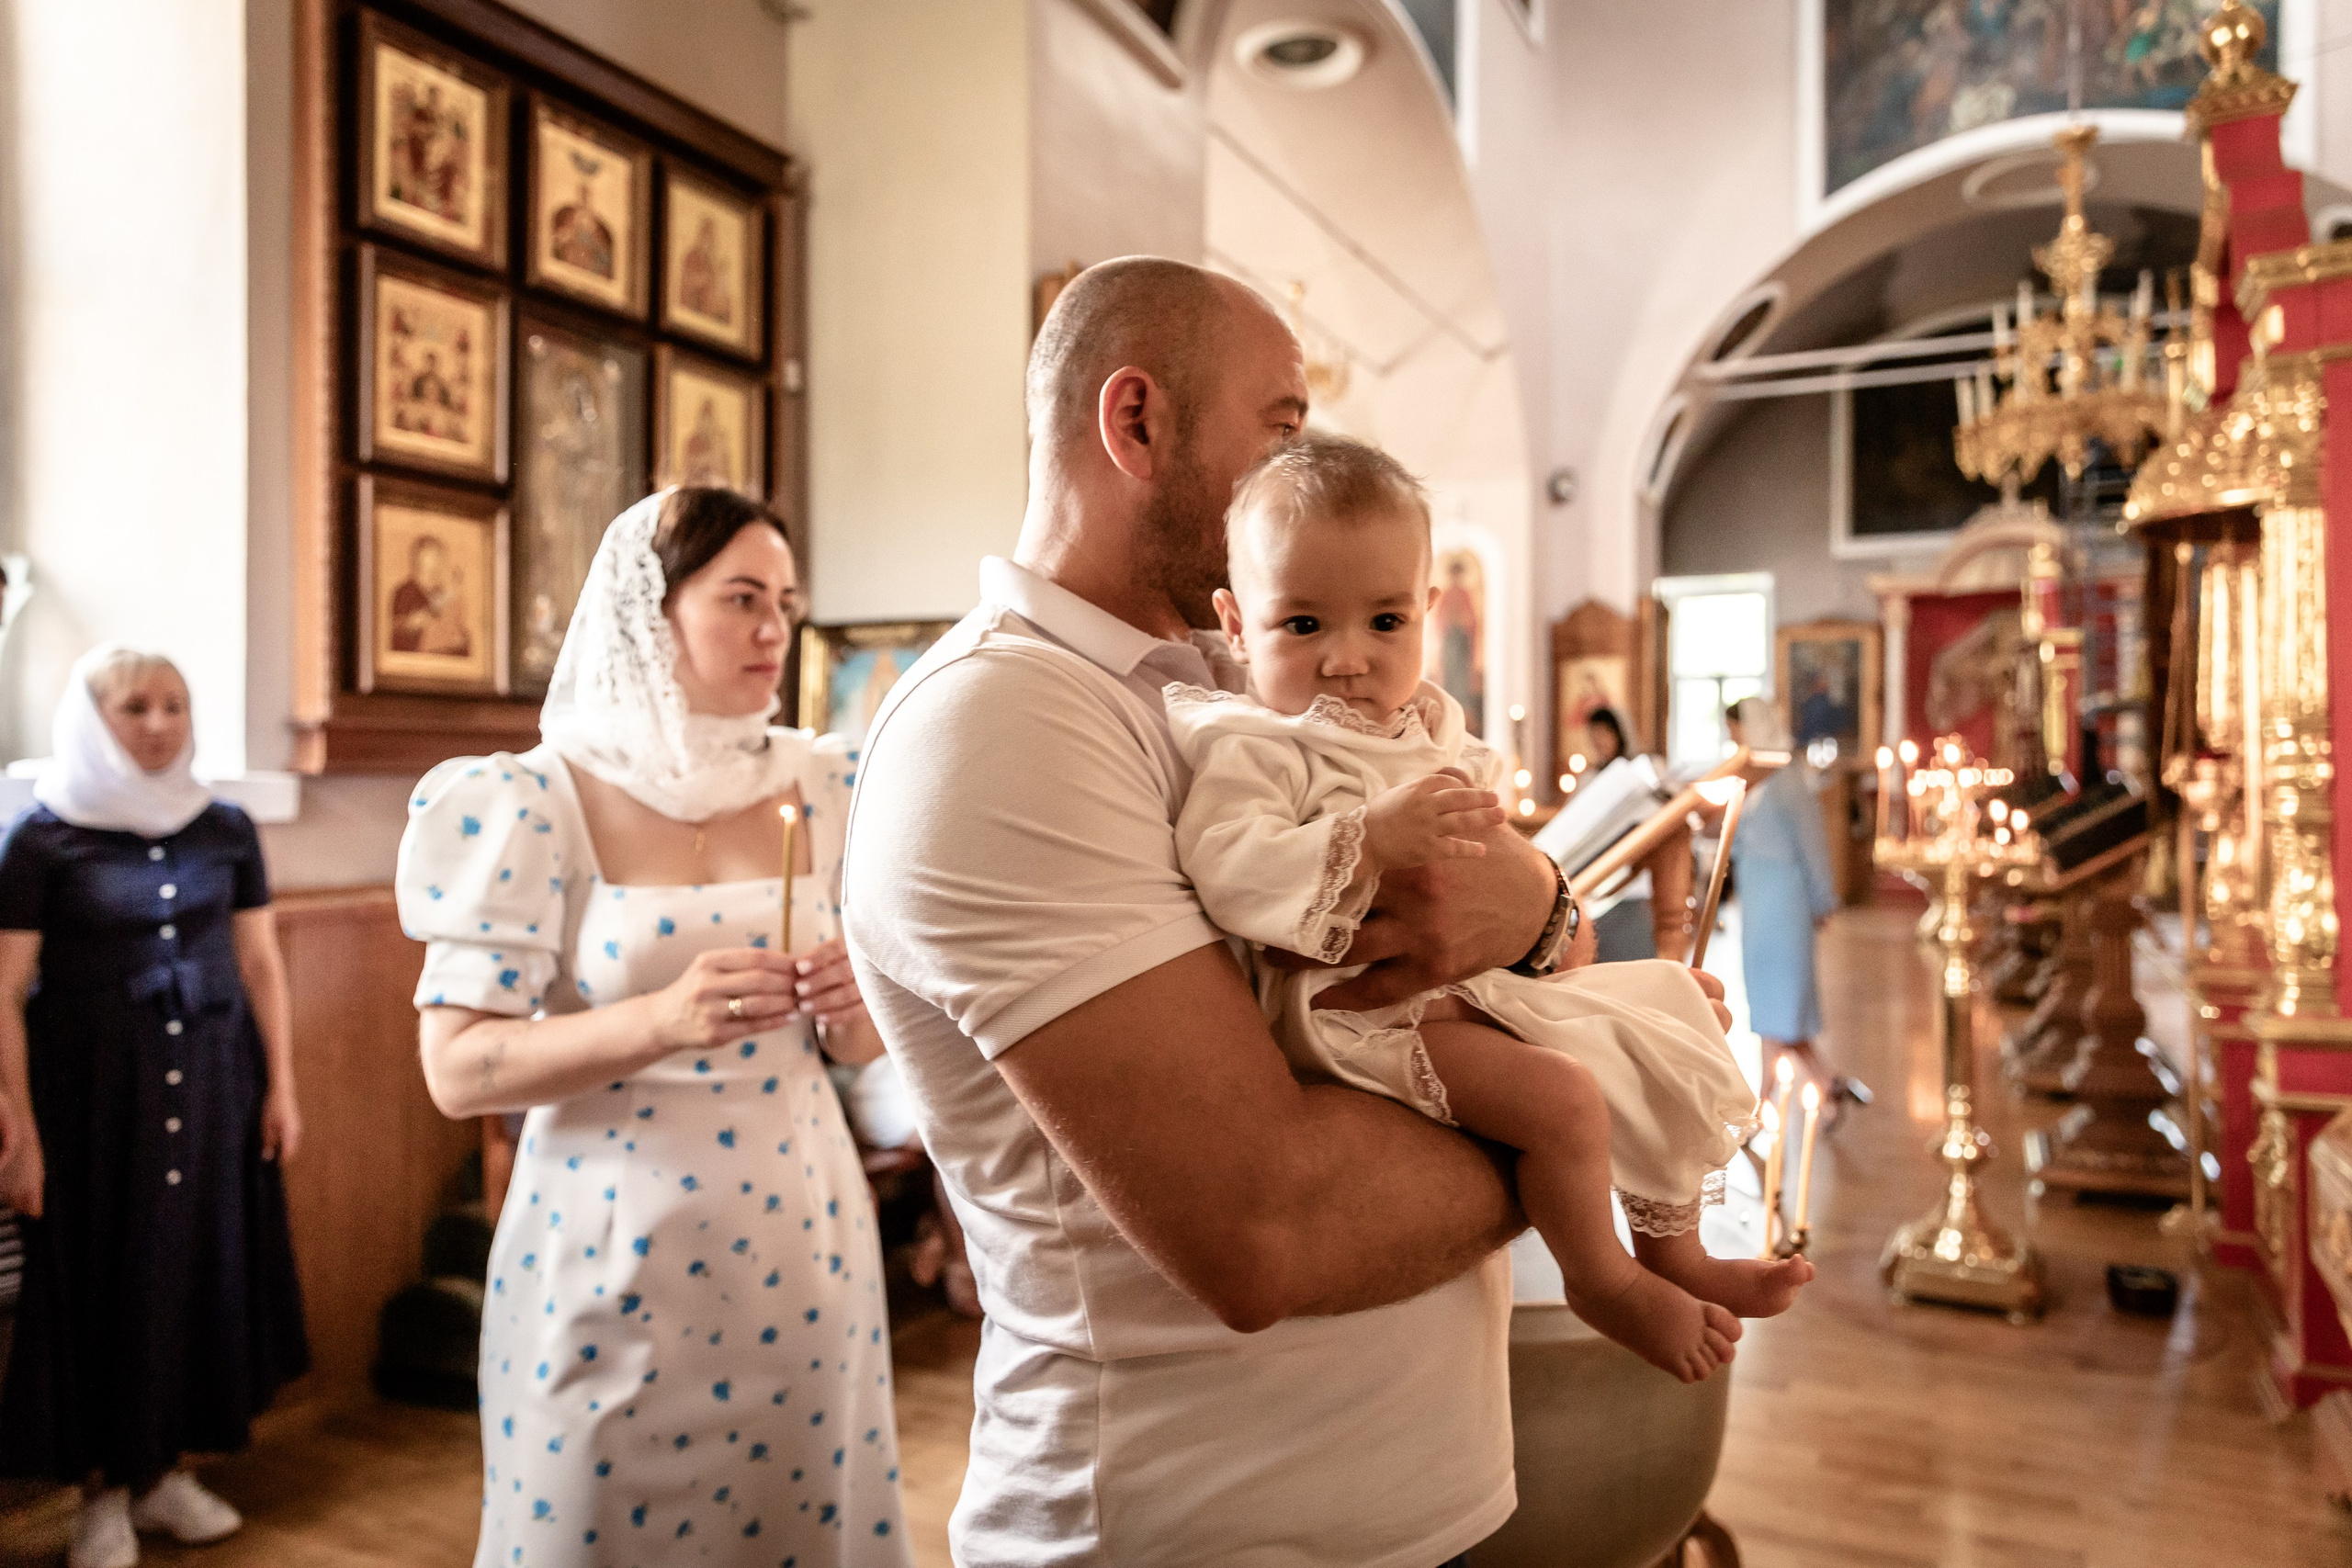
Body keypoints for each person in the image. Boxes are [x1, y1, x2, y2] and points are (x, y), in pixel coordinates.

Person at [842, 256, 1728, 1566]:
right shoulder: (1007, 725)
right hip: (1191, 1521)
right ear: (1136, 421)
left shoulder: (1245, 680)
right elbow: (1269, 1226)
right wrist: (1584, 1116)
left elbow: (1539, 937)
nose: (1303, 460)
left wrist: (1538, 913)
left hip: (1400, 1498)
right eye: (1283, 424)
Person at [1169, 434, 1807, 1382]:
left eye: (1383, 622)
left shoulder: (1430, 729)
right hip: (1363, 1009)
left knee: (1672, 1005)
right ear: (1232, 621)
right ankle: (1602, 1280)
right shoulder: (1252, 744)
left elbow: (1511, 883)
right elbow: (1229, 865)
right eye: (1302, 627)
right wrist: (1372, 841)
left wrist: (1513, 875)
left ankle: (1672, 1249)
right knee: (1560, 1100)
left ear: (1428, 611)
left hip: (1474, 984)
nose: (1347, 659)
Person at [396, 487, 909, 1566]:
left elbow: (859, 1050)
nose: (775, 629)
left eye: (785, 601)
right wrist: (662, 1019)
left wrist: (857, 1008)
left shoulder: (830, 782)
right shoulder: (535, 801)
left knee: (793, 1516)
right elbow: (460, 1069)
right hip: (603, 1243)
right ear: (650, 613)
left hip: (797, 1235)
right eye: (740, 599)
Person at [0, 646, 308, 1568]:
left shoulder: (227, 827)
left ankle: (162, 1473)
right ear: (94, 720)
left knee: (193, 1272)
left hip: (216, 1089)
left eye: (175, 705)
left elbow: (260, 963)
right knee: (102, 1280)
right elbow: (6, 988)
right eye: (137, 707)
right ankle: (98, 1494)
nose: (160, 723)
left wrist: (282, 1086)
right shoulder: (41, 838)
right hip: (91, 1104)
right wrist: (17, 1129)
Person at [1723, 695, 1848, 1104]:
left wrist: (1822, 898)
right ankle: (1827, 1086)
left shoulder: (1788, 778)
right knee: (1769, 1001)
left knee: (1782, 1002)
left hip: (1785, 902)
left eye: (1737, 728)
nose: (1733, 737)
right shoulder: (1749, 777)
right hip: (1757, 902)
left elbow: (1813, 844)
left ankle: (1762, 1103)